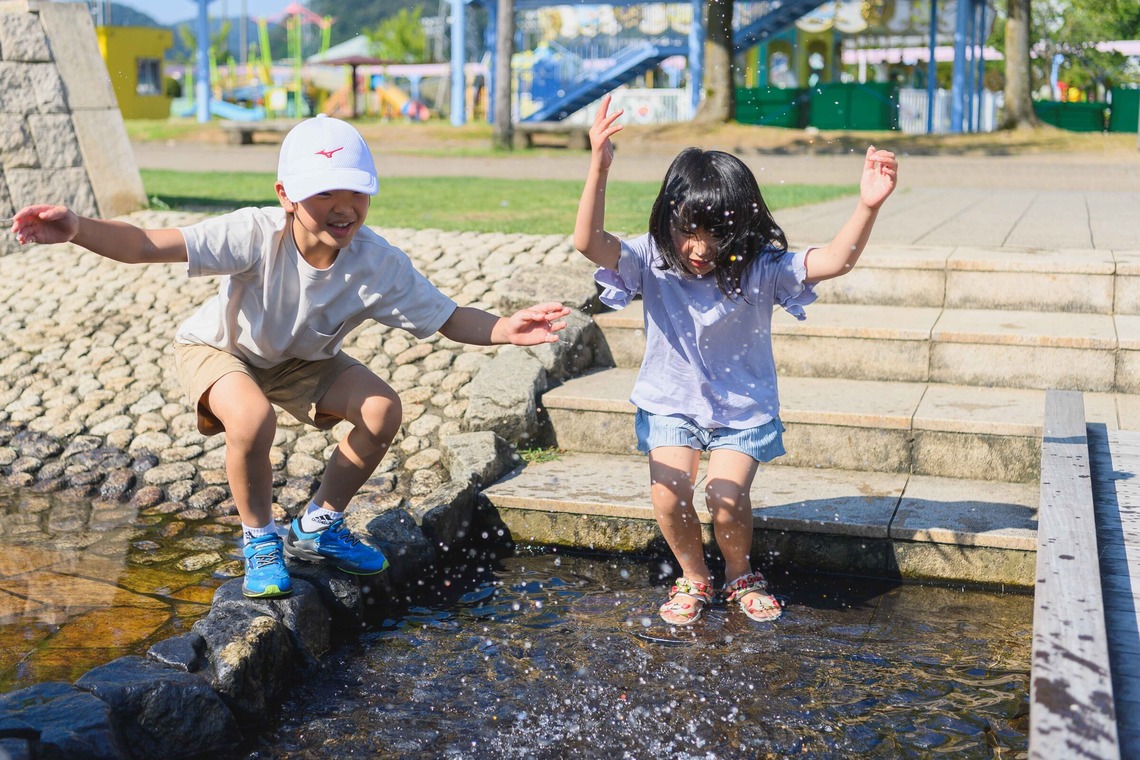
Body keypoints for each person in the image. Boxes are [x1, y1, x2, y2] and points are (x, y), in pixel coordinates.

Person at [11, 114, 570, 599]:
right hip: (220, 348)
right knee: (254, 418)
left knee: (382, 410)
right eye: (323, 193)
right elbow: (144, 246)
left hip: (302, 361)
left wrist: (502, 327)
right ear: (286, 196)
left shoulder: (378, 263)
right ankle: (259, 539)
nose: (342, 207)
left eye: (355, 192)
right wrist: (78, 228)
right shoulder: (254, 233)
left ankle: (318, 525)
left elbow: (446, 316)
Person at [573, 96, 897, 626]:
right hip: (672, 401)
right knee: (667, 492)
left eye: (716, 233)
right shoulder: (653, 259)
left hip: (740, 407)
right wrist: (598, 166)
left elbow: (834, 261)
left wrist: (868, 204)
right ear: (667, 219)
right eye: (687, 230)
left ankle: (740, 572)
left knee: (724, 495)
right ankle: (695, 576)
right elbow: (587, 241)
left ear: (740, 228)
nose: (699, 248)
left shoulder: (760, 267)